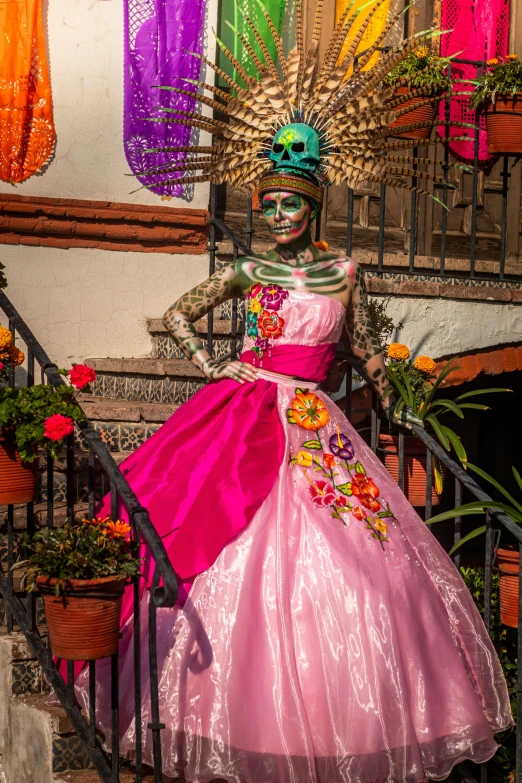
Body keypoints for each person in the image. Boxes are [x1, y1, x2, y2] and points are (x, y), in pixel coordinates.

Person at [76, 4, 513, 779]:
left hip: (318, 426)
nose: (274, 212)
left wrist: (398, 399)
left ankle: (340, 728)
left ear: (313, 204)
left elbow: (369, 354)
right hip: (246, 416)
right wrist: (219, 369)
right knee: (228, 553)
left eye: (289, 201)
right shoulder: (248, 272)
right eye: (266, 200)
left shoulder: (345, 273)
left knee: (357, 574)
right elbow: (175, 316)